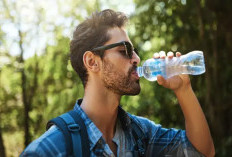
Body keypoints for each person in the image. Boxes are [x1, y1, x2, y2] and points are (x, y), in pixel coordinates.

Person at [20, 9, 215, 157]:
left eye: (135, 51)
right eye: (125, 50)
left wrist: (183, 89)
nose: (137, 58)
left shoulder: (141, 134)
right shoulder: (49, 149)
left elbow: (201, 152)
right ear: (92, 62)